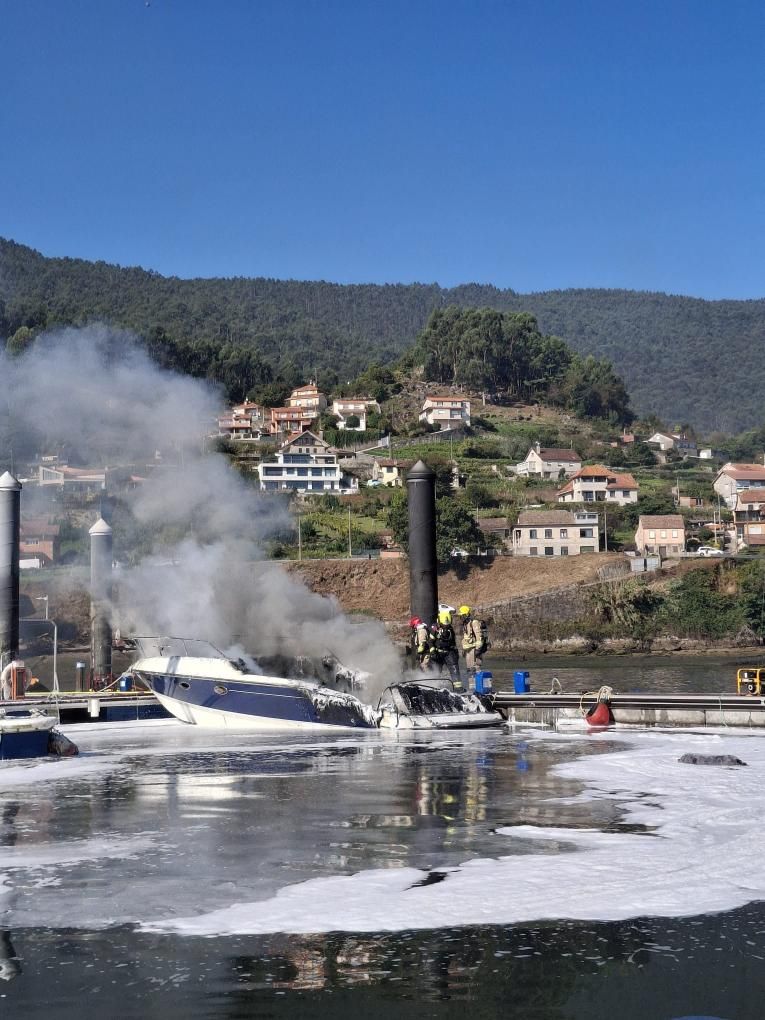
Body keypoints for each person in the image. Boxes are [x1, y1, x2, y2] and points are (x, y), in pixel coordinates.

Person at [433, 609, 463, 690]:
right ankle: (434, 686)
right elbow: (431, 640)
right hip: (440, 653)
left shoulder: (449, 630)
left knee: (454, 668)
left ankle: (458, 687)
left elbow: (451, 641)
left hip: (448, 652)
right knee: (437, 670)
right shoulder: (436, 629)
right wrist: (432, 651)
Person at [457, 605, 489, 679]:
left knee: (475, 669)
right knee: (469, 670)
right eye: (460, 616)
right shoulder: (466, 624)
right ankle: (472, 685)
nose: (461, 617)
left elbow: (479, 637)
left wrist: (478, 650)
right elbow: (466, 639)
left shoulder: (474, 623)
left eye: (462, 615)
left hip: (475, 650)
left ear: (466, 614)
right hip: (469, 651)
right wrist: (464, 650)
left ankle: (478, 685)